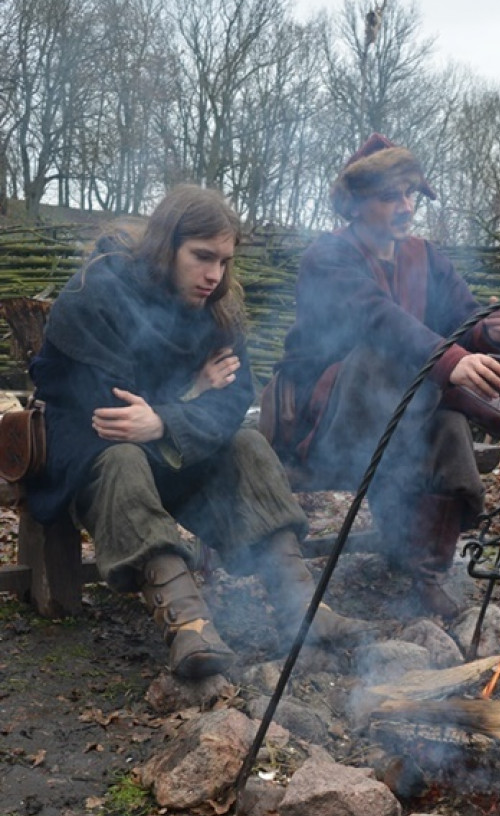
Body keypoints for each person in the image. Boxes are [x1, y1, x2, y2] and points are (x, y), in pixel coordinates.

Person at [26, 185, 370, 689]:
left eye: (225, 260)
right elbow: (113, 409)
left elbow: (234, 402)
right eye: (202, 257)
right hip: (92, 456)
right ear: (167, 246)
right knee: (123, 456)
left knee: (248, 445)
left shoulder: (218, 310)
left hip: (168, 450)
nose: (215, 275)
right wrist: (192, 392)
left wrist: (166, 418)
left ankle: (302, 609)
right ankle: (188, 624)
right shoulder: (96, 295)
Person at [262, 134, 500, 619]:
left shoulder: (426, 257)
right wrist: (453, 361)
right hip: (325, 421)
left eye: (411, 194)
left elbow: (463, 320)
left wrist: (490, 331)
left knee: (448, 425)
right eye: (390, 195)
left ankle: (427, 578)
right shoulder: (328, 256)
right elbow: (378, 319)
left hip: (407, 416)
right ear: (354, 203)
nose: (406, 207)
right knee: (384, 350)